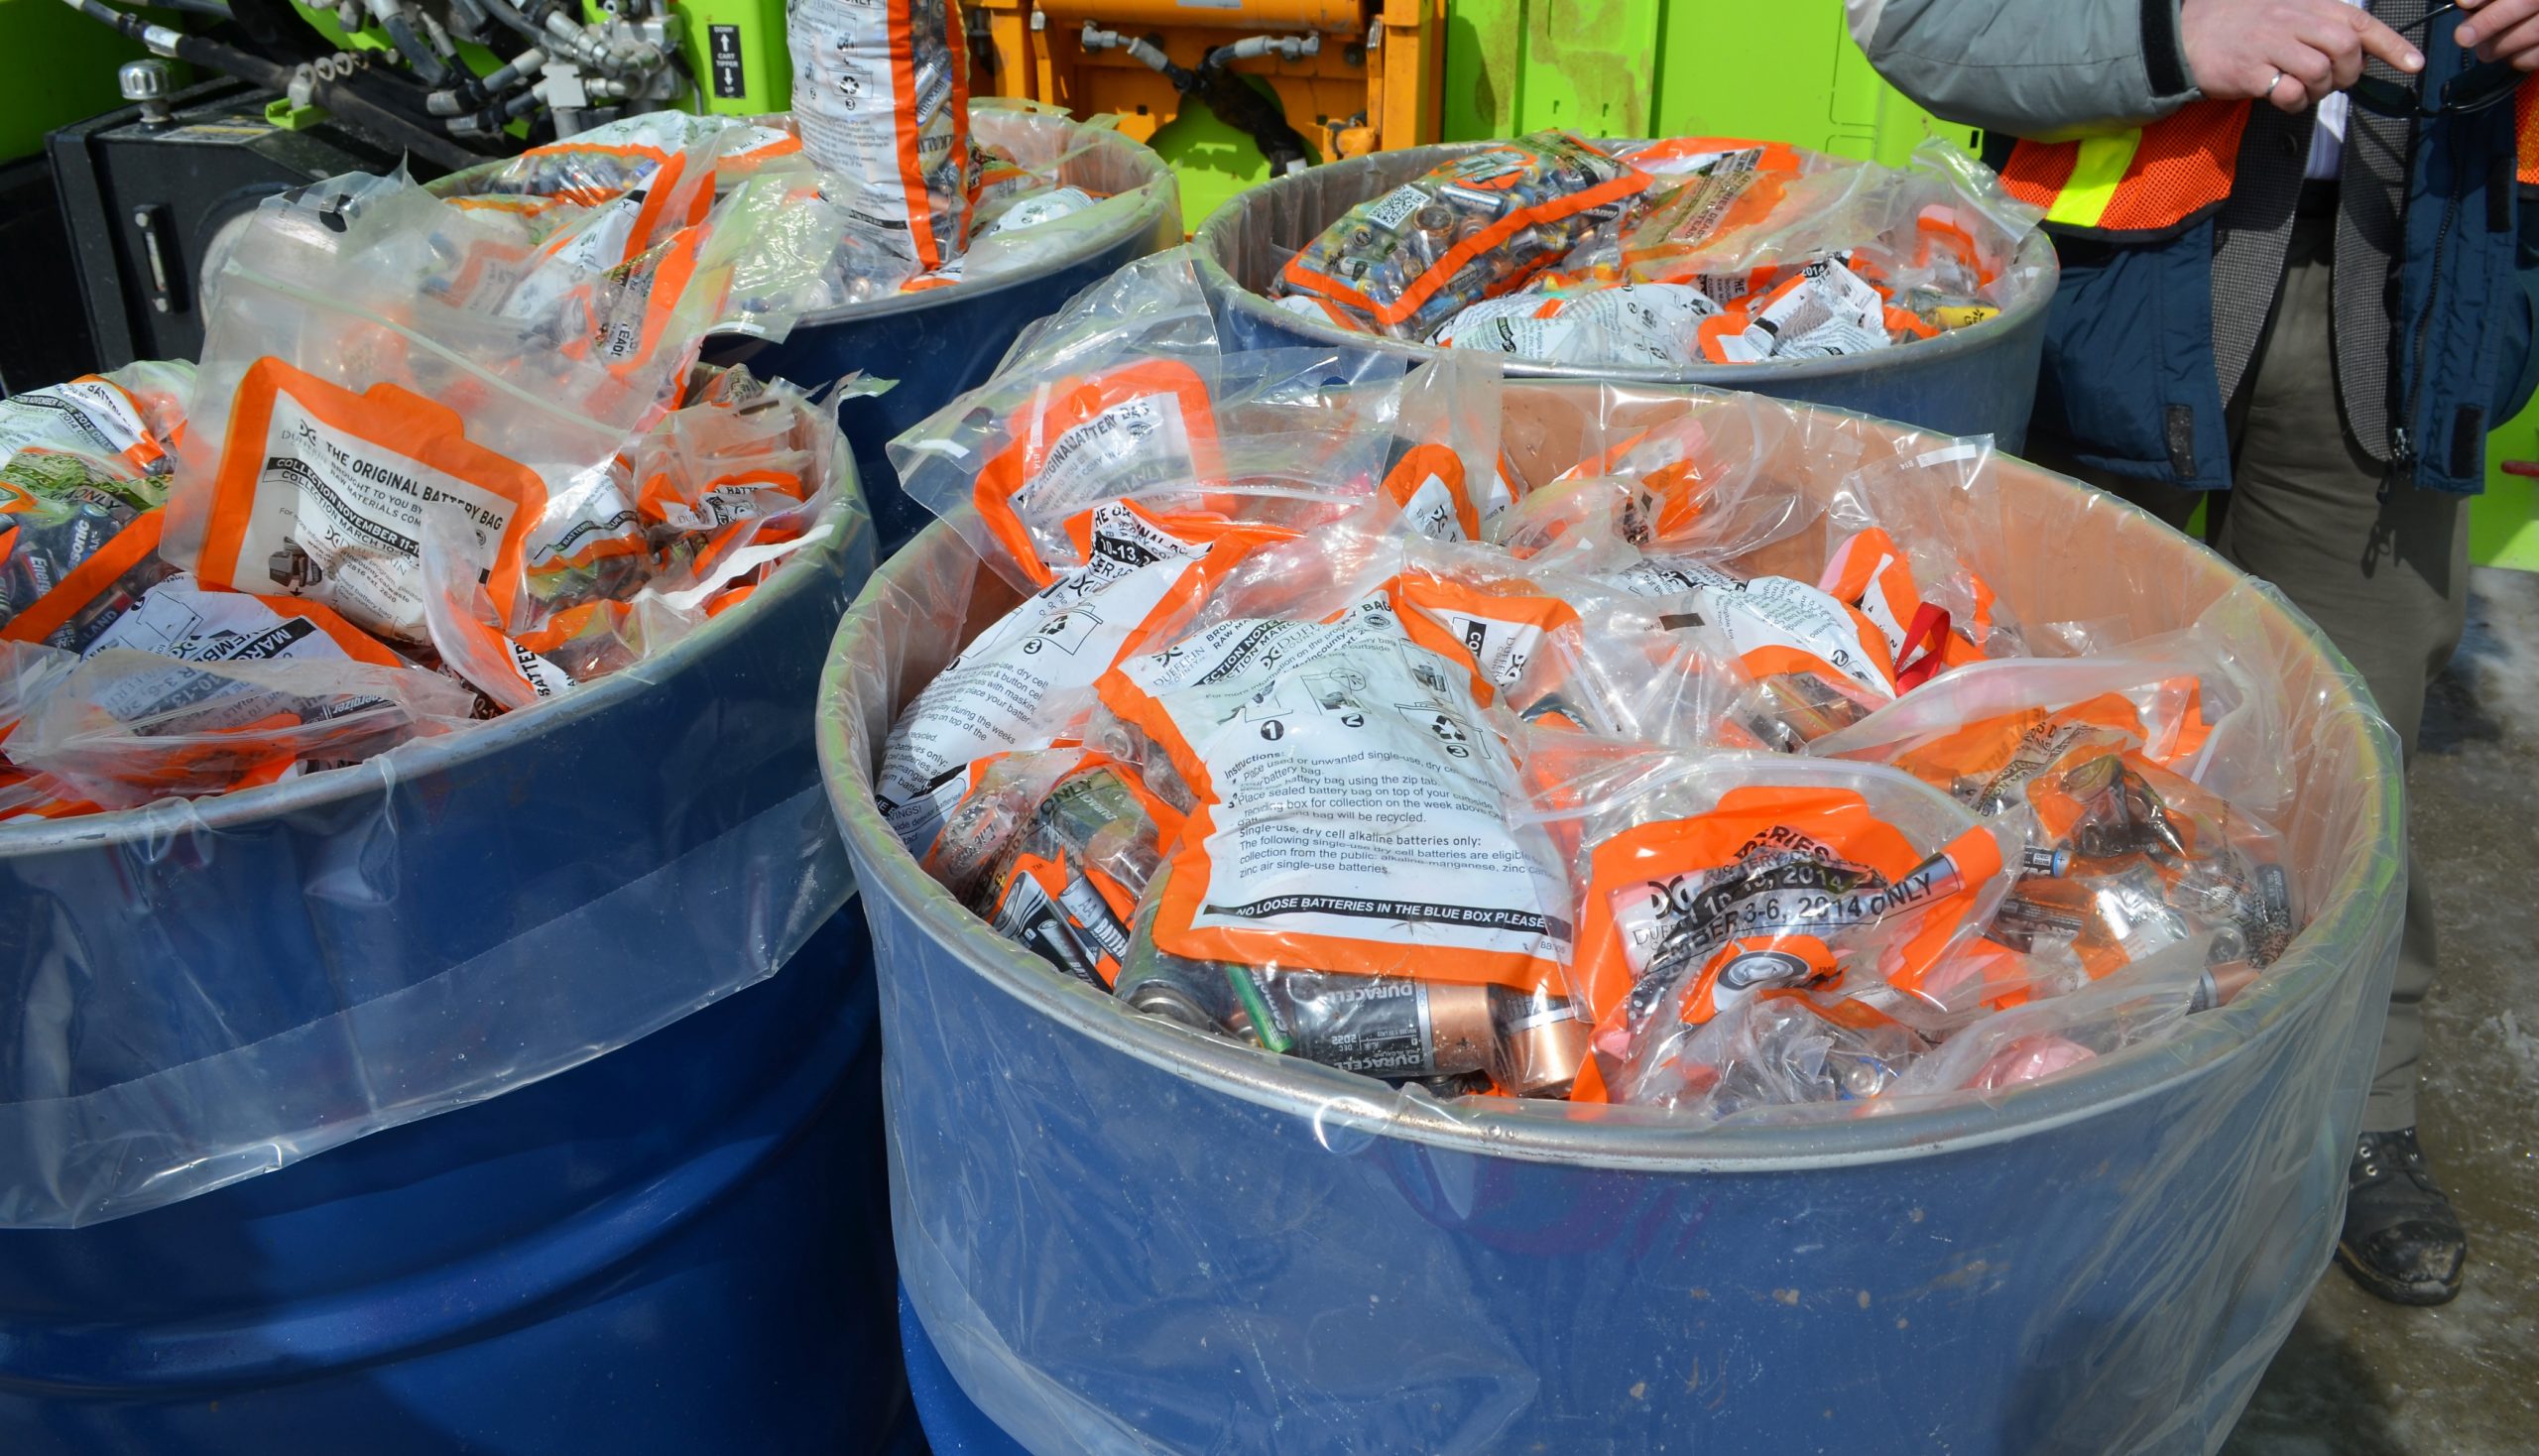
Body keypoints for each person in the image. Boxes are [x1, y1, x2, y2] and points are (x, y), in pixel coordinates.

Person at [1851, 0, 2539, 1305]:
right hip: (2110, 303)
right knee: (2033, 756)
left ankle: (2358, 1113)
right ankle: (2006, 1102)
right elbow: (1916, 22)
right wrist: (2174, 36)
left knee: (2355, 763)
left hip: (2417, 293)